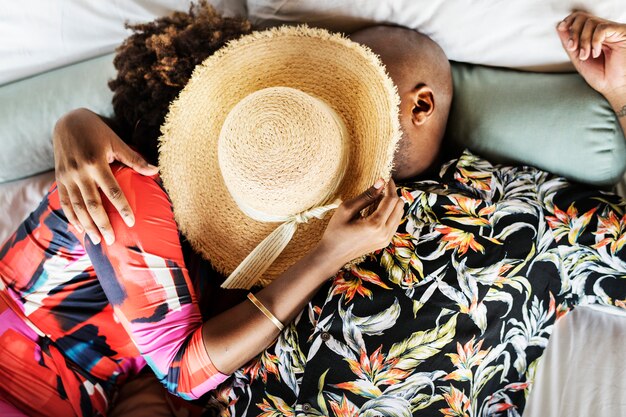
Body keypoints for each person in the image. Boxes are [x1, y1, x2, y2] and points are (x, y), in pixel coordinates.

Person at [52, 9, 626, 417]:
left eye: (348, 100)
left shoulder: (517, 210)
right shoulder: (261, 219)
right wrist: (74, 121)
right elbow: (182, 363)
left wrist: (623, 98)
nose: (317, 123)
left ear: (418, 104)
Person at [0, 18, 415, 417]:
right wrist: (326, 257)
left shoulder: (203, 245)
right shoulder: (127, 195)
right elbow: (183, 371)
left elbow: (160, 378)